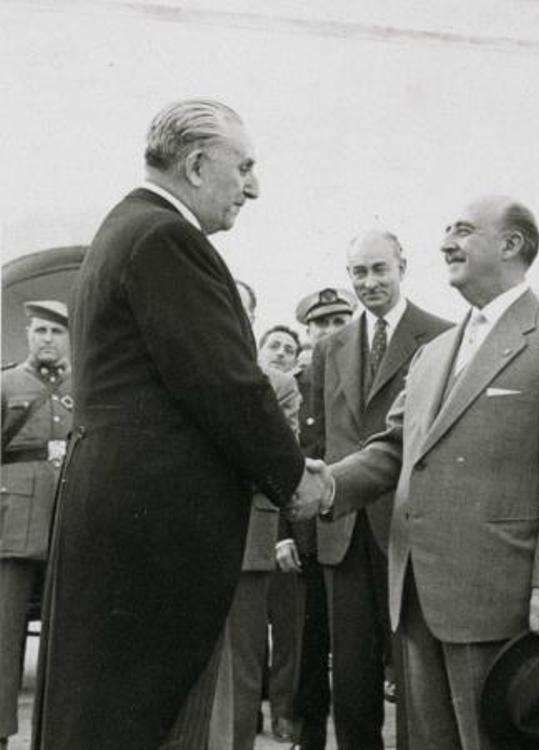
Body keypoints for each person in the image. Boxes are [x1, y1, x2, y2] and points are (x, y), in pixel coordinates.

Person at [32, 99, 329, 750]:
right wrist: (294, 481)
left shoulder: (125, 227)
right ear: (197, 165)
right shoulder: (169, 238)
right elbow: (225, 380)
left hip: (117, 517)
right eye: (244, 167)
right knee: (148, 722)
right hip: (156, 532)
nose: (254, 187)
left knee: (102, 715)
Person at [327, 195, 539, 749]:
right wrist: (326, 484)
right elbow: (394, 449)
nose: (445, 244)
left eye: (462, 231)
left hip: (501, 595)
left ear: (511, 245)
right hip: (418, 595)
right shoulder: (434, 351)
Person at [309, 229, 451, 749]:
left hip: (408, 528)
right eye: (359, 273)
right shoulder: (330, 348)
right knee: (350, 672)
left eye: (379, 270)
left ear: (402, 267)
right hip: (343, 530)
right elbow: (322, 437)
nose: (369, 282)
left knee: (415, 667)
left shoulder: (440, 337)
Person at [210, 283, 305, 750]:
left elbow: (277, 454)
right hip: (192, 530)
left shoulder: (279, 385)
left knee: (245, 659)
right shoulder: (193, 366)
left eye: (241, 308)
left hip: (249, 530)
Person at [281, 286, 355, 750]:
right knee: (311, 640)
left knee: (360, 645)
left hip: (362, 523)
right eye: (320, 324)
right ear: (307, 332)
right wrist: (284, 534)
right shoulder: (296, 384)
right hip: (311, 531)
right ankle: (308, 735)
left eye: (338, 321)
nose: (329, 331)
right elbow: (284, 462)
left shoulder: (365, 375)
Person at [0, 302, 72, 750]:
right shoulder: (6, 384)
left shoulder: (83, 386)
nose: (47, 339)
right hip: (14, 523)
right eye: (40, 330)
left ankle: (59, 734)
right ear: (28, 334)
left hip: (68, 520)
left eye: (56, 332)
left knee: (66, 637)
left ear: (69, 340)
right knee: (4, 635)